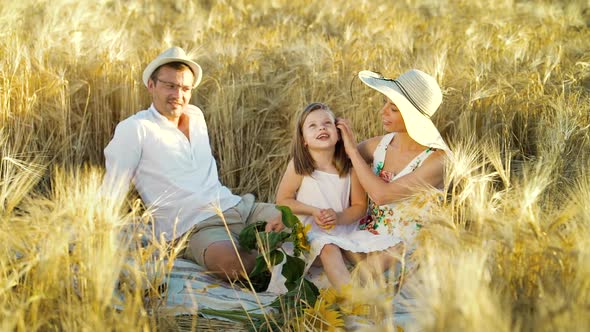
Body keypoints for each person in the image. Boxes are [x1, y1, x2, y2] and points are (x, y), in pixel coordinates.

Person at [102, 46, 283, 280]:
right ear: (151, 85)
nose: (179, 95)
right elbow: (113, 188)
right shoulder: (135, 129)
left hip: (238, 208)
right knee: (231, 266)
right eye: (170, 86)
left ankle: (277, 257)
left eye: (185, 88)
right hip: (195, 228)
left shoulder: (196, 116)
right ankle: (278, 265)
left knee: (300, 224)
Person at [274, 102, 401, 291]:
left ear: (338, 132)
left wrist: (338, 217)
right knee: (328, 248)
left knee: (395, 247)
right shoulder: (299, 166)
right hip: (311, 233)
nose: (322, 128)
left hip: (343, 229)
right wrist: (314, 211)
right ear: (303, 140)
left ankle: (360, 278)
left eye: (327, 123)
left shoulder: (350, 168)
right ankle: (350, 296)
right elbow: (283, 200)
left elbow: (359, 206)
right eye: (313, 126)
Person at [336, 69, 451, 259]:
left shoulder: (438, 160)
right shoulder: (378, 146)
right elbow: (330, 164)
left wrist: (353, 152)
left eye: (394, 108)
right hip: (366, 240)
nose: (383, 111)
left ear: (412, 116)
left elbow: (382, 196)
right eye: (385, 103)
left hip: (405, 251)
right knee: (318, 248)